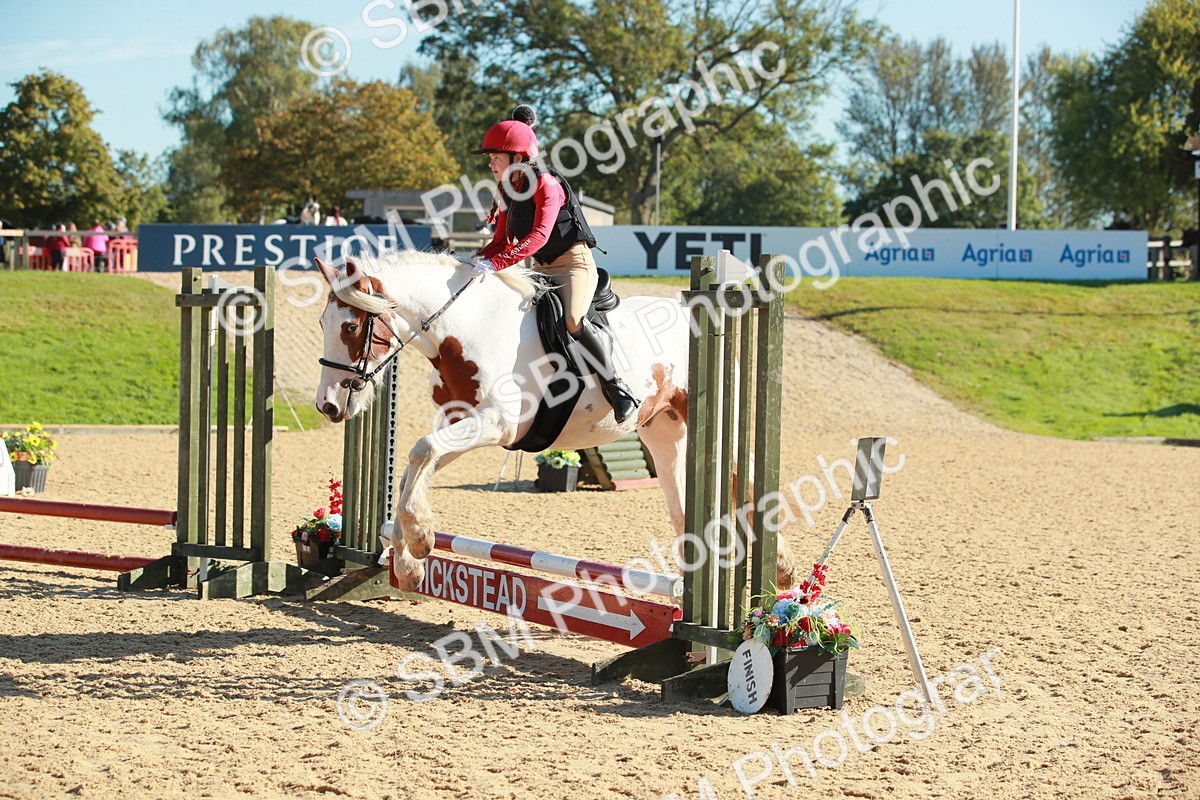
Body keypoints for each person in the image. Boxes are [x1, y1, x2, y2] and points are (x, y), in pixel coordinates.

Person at [472, 105, 638, 423]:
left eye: (496, 157)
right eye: (490, 157)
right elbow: (499, 242)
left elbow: (538, 236)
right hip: (540, 270)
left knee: (573, 319)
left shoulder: (546, 184)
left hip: (574, 265)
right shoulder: (508, 190)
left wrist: (496, 265)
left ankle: (617, 388)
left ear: (518, 157)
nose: (490, 163)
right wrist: (474, 262)